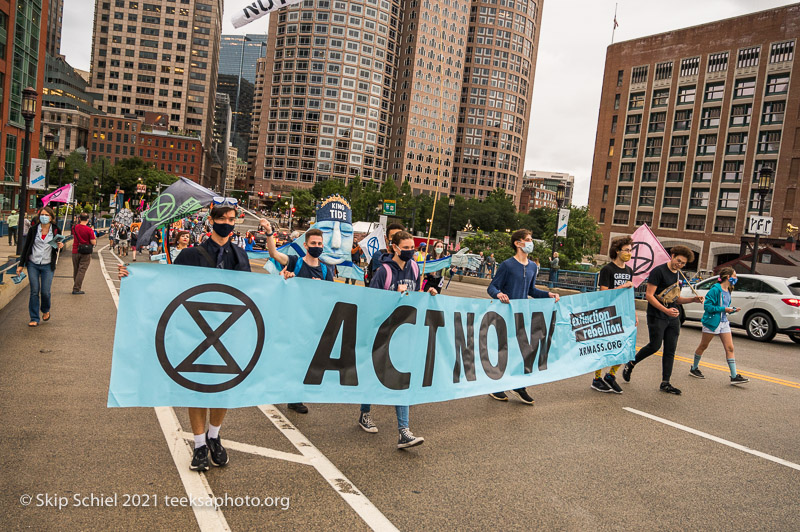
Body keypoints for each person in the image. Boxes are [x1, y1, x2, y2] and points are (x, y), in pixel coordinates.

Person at [119, 202, 250, 471]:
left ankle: (215, 437)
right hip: (197, 331)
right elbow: (167, 283)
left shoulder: (240, 255)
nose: (228, 223)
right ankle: (200, 444)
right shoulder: (191, 255)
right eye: (223, 218)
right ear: (212, 221)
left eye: (232, 219)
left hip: (229, 332)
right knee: (198, 390)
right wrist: (133, 275)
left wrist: (285, 282)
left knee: (223, 390)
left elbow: (255, 292)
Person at [358, 230, 436, 449]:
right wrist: (393, 296)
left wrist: (428, 291)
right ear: (394, 247)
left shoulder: (413, 267)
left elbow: (415, 293)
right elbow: (370, 302)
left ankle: (404, 431)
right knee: (375, 377)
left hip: (403, 333)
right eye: (406, 248)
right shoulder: (383, 271)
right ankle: (364, 413)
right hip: (381, 332)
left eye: (413, 248)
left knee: (402, 379)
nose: (411, 251)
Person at [263, 221, 333, 414]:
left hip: (312, 321)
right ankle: (277, 388)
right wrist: (269, 233)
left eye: (320, 244)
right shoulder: (295, 262)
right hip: (292, 319)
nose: (317, 247)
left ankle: (295, 397)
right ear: (306, 245)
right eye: (314, 243)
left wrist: (321, 289)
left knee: (304, 361)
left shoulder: (327, 270)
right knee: (288, 356)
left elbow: (331, 296)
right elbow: (274, 255)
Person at [487, 229, 560, 404]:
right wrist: (498, 294)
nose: (530, 242)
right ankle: (496, 387)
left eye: (531, 239)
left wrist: (548, 294)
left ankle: (519, 386)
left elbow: (532, 291)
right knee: (505, 350)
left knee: (523, 351)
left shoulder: (533, 266)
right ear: (517, 243)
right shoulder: (507, 265)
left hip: (523, 315)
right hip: (506, 314)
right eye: (527, 239)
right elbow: (492, 287)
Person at [622, 246, 703, 395]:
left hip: (673, 316)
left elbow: (675, 298)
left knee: (670, 350)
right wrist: (665, 310)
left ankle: (665, 382)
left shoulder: (679, 275)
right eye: (678, 261)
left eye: (683, 263)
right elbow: (649, 295)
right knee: (655, 346)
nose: (680, 265)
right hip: (657, 315)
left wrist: (693, 299)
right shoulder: (658, 271)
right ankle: (631, 363)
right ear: (672, 256)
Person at [688, 268, 749, 385]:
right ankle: (694, 368)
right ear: (727, 276)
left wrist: (732, 310)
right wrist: (724, 309)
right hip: (712, 322)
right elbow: (708, 307)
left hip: (724, 322)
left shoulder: (728, 290)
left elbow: (724, 308)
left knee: (730, 348)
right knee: (704, 345)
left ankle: (734, 376)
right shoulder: (715, 290)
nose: (736, 278)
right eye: (734, 276)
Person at [592, 236, 636, 394]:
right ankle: (597, 379)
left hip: (624, 312)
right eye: (626, 250)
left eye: (631, 250)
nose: (629, 253)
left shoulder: (629, 270)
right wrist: (623, 286)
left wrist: (634, 314)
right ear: (617, 251)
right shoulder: (607, 270)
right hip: (607, 313)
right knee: (604, 346)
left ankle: (611, 375)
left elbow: (628, 296)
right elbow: (604, 294)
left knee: (624, 346)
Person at [16, 207, 63, 326]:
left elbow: (57, 250)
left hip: (48, 265)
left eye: (47, 215)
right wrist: (21, 265)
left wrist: (60, 247)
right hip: (33, 264)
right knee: (34, 291)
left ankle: (46, 309)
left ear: (51, 217)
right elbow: (26, 248)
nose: (44, 217)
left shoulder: (56, 230)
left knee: (45, 292)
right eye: (42, 214)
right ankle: (34, 318)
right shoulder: (33, 230)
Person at [71, 212, 97, 295]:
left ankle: (76, 285)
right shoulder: (89, 230)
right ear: (88, 220)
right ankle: (76, 288)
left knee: (76, 269)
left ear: (79, 219)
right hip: (85, 252)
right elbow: (93, 242)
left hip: (75, 250)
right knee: (82, 270)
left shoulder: (74, 227)